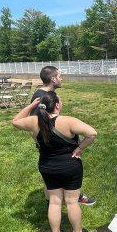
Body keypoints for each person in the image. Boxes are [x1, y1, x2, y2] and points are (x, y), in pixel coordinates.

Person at [12, 91, 97, 232]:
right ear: (57, 105)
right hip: (70, 165)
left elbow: (15, 121)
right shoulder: (68, 121)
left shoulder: (34, 121)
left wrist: (31, 105)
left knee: (54, 201)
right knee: (71, 202)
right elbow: (92, 133)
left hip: (47, 166)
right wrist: (80, 149)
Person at [30, 66, 96, 206]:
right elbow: (34, 124)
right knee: (54, 176)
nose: (61, 78)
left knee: (68, 171)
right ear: (53, 79)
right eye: (60, 76)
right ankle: (53, 204)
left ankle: (72, 194)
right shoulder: (40, 97)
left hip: (60, 147)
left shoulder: (50, 95)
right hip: (51, 148)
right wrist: (41, 144)